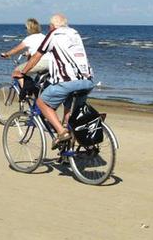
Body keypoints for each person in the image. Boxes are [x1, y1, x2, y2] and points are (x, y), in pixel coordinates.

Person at [13, 13, 94, 144]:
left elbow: (37, 56)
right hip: (88, 81)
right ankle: (68, 149)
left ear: (51, 26)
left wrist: (23, 72)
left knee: (41, 103)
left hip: (67, 82)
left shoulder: (53, 34)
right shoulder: (74, 33)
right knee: (71, 114)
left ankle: (61, 133)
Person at [0, 18, 51, 88]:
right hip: (50, 63)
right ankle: (35, 92)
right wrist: (28, 53)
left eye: (26, 28)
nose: (26, 29)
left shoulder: (29, 38)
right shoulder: (44, 37)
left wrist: (6, 54)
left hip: (40, 62)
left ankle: (25, 92)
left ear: (29, 28)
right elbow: (38, 50)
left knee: (16, 71)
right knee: (32, 78)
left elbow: (16, 49)